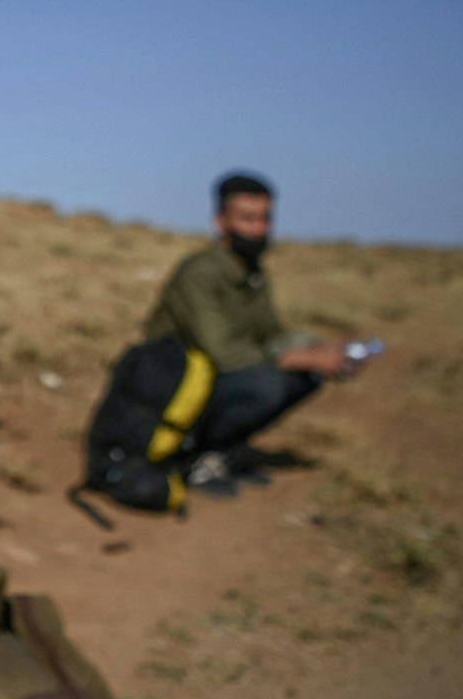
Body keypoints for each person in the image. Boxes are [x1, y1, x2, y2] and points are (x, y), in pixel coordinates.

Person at [141, 171, 364, 494]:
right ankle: (190, 459)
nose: (258, 230)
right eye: (247, 219)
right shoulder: (199, 273)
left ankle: (222, 451)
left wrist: (321, 351)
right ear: (221, 221)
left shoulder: (253, 272)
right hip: (173, 382)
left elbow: (271, 334)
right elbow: (223, 353)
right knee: (267, 384)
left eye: (264, 219)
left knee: (307, 374)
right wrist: (295, 357)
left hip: (216, 377)